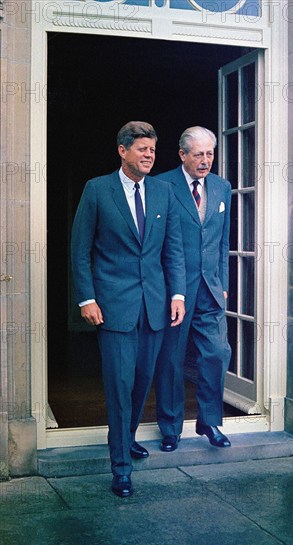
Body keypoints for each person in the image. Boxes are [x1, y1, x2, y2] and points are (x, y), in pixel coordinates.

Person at [71, 121, 186, 498]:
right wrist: (87, 298)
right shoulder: (97, 190)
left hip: (154, 307)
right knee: (119, 387)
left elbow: (173, 250)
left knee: (140, 384)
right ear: (123, 151)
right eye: (142, 149)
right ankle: (121, 467)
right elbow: (80, 249)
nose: (150, 155)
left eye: (153, 150)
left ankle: (128, 437)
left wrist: (178, 295)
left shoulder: (165, 192)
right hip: (113, 308)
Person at [154, 126, 232, 453]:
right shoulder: (161, 185)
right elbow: (155, 243)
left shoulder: (221, 187)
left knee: (216, 353)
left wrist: (224, 285)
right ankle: (170, 428)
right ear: (182, 154)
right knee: (171, 360)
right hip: (175, 291)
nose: (205, 161)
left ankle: (209, 421)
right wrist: (167, 290)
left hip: (210, 289)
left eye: (210, 154)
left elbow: (223, 242)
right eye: (198, 154)